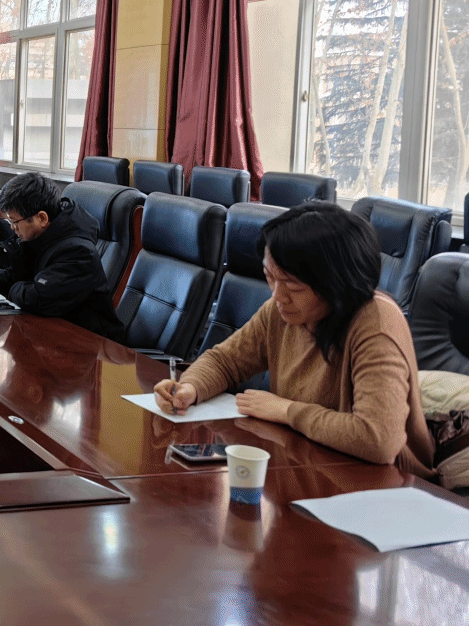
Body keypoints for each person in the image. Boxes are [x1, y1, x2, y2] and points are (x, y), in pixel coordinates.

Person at [154, 201, 436, 477]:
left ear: (337, 284)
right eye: (270, 278)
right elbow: (225, 361)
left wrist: (287, 411)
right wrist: (190, 387)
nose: (277, 296)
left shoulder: (376, 323)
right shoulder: (279, 313)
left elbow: (378, 440)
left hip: (383, 482)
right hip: (307, 464)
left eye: (292, 286)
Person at [0, 172, 122, 339]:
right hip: (52, 334)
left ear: (41, 218)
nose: (12, 228)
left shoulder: (78, 252)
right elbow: (18, 276)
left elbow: (38, 299)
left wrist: (14, 288)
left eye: (15, 221)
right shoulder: (41, 238)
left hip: (89, 343)